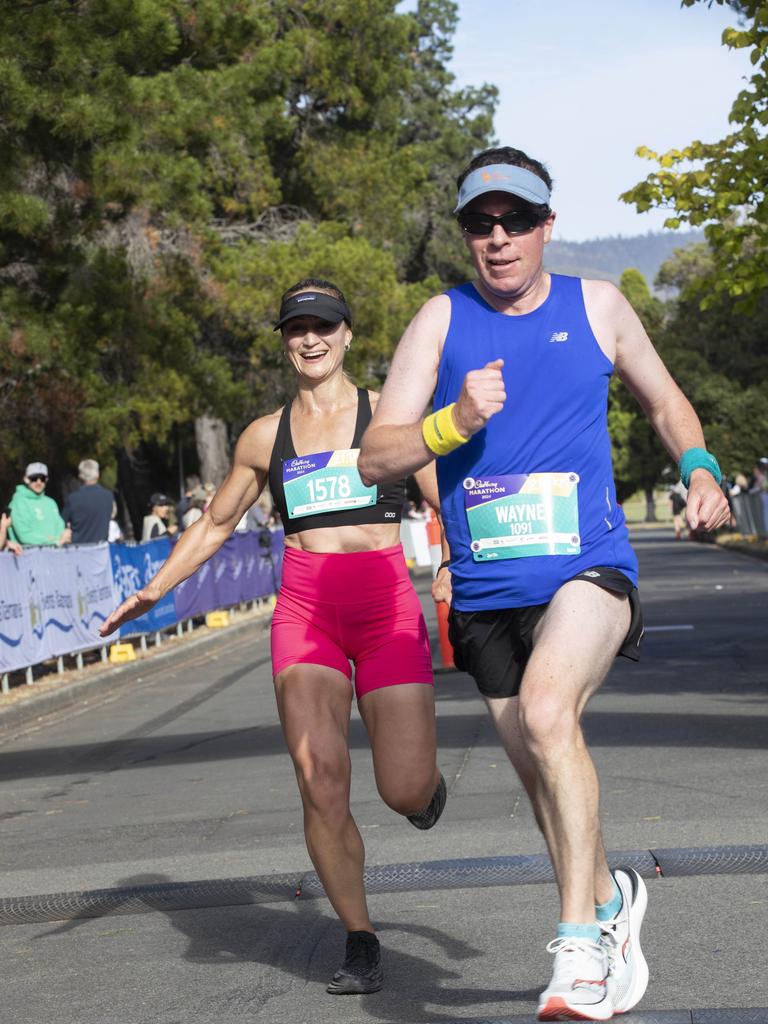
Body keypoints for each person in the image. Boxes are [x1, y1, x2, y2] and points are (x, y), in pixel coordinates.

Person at [358, 147, 730, 1022]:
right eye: (480, 224)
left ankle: (577, 951)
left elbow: (667, 404)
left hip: (588, 566)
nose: (498, 238)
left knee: (548, 712)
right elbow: (378, 454)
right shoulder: (439, 321)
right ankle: (609, 902)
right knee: (542, 783)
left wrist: (702, 468)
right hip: (488, 593)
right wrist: (453, 420)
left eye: (515, 220)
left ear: (546, 227)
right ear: (464, 236)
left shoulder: (596, 306)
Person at [100, 278, 446, 996]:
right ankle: (359, 938)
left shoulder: (389, 415)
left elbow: (449, 499)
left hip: (385, 605)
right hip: (306, 611)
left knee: (403, 789)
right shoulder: (265, 435)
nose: (311, 339)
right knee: (319, 782)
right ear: (285, 341)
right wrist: (155, 589)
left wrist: (455, 565)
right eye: (297, 329)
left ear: (349, 334)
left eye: (324, 326)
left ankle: (423, 795)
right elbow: (218, 522)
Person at [7, 462, 70, 547]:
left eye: (42, 478)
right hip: (28, 557)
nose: (39, 482)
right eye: (34, 478)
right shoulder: (18, 503)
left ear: (46, 480)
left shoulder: (51, 503)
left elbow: (60, 526)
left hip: (55, 555)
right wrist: (53, 542)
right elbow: (24, 535)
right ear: (26, 479)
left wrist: (64, 535)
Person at [62, 459, 115, 544]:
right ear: (97, 474)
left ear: (80, 476)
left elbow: (62, 523)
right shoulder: (108, 496)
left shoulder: (73, 499)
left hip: (79, 550)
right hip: (101, 550)